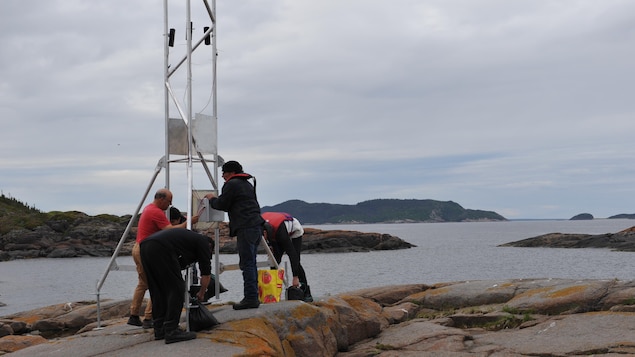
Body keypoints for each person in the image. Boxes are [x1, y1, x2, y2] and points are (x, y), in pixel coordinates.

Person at [128, 189, 199, 328]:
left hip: (139, 247)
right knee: (156, 283)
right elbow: (169, 230)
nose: (170, 204)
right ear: (161, 199)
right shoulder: (155, 212)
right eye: (169, 201)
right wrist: (188, 223)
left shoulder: (148, 208)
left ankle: (134, 315)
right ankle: (149, 317)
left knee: (143, 283)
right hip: (145, 250)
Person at [206, 160, 264, 310]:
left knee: (247, 264)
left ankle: (251, 298)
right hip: (256, 226)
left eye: (224, 173)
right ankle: (253, 296)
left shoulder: (232, 184)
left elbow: (222, 205)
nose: (223, 176)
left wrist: (212, 198)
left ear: (230, 172)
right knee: (251, 262)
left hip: (245, 227)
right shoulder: (247, 184)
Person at [140, 228, 212, 344]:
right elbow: (206, 274)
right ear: (210, 246)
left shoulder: (187, 241)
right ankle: (171, 330)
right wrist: (202, 293)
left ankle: (159, 329)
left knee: (158, 289)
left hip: (145, 246)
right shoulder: (203, 242)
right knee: (177, 288)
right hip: (161, 247)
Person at [262, 212, 313, 302]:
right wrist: (270, 246)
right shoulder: (259, 225)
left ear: (266, 232)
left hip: (294, 229)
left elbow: (292, 254)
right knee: (275, 260)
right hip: (274, 229)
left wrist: (295, 277)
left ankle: (306, 292)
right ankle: (273, 291)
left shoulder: (280, 233)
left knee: (296, 259)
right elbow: (267, 240)